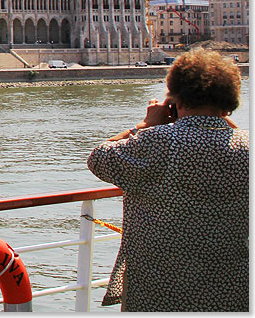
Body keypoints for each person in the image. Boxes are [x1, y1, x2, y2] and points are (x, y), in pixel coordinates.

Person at [88, 48, 248, 311]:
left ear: (176, 98)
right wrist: (225, 121)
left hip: (159, 289)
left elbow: (99, 158)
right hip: (232, 290)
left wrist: (143, 125)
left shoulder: (159, 141)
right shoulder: (246, 146)